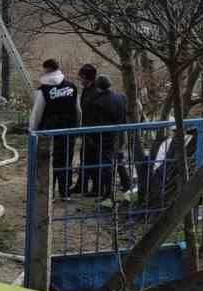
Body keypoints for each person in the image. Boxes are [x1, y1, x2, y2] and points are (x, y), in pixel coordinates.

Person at [29, 58, 80, 198]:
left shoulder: (43, 91)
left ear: (47, 70)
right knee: (66, 161)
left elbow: (37, 113)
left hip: (48, 132)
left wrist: (32, 131)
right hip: (69, 131)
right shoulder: (71, 87)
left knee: (48, 162)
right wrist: (77, 128)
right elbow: (78, 110)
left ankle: (48, 194)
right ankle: (65, 193)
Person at [93, 74, 129, 201]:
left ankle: (108, 193)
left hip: (107, 137)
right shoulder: (121, 97)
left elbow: (98, 122)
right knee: (120, 160)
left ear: (98, 88)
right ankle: (127, 185)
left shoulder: (98, 102)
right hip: (121, 134)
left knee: (106, 165)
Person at [74, 63, 100, 195]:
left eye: (81, 78)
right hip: (86, 130)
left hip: (94, 133)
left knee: (94, 160)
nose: (80, 80)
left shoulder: (96, 92)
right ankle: (81, 185)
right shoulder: (87, 90)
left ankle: (96, 188)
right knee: (85, 159)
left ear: (86, 77)